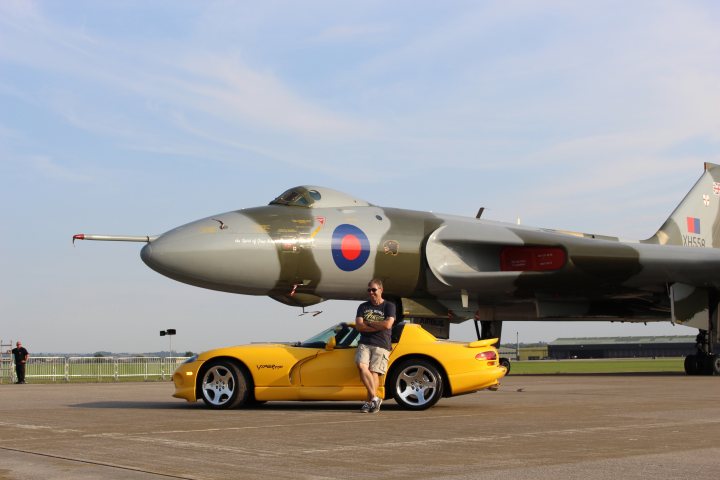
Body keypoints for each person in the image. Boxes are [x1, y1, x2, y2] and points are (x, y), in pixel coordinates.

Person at [355, 279, 395, 413]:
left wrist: (369, 323)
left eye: (374, 290)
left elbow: (388, 325)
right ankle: (374, 399)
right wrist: (378, 325)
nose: (371, 292)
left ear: (381, 290)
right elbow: (359, 326)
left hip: (381, 344)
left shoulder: (389, 306)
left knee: (373, 373)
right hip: (365, 343)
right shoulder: (363, 307)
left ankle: (369, 402)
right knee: (361, 366)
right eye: (369, 290)